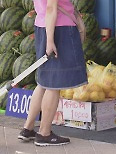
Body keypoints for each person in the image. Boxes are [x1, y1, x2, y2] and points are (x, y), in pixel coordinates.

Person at [18, 0, 87, 146]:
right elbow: (51, 7)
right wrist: (50, 40)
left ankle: (28, 128)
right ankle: (44, 133)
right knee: (54, 84)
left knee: (44, 82)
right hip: (58, 28)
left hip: (43, 25)